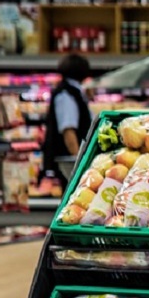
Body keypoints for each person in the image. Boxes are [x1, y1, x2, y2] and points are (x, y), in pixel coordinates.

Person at [42, 54, 92, 193]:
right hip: (67, 164)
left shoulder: (73, 91)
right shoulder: (66, 94)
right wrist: (79, 163)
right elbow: (68, 130)